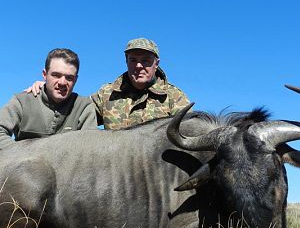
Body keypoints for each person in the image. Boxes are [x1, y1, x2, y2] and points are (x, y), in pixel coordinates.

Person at [26, 38, 190, 129]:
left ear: (157, 63)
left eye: (146, 61)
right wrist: (47, 89)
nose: (139, 66)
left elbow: (189, 135)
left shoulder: (174, 97)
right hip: (113, 178)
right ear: (126, 62)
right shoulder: (107, 93)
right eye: (133, 60)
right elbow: (73, 111)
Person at [0, 48, 97, 150]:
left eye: (69, 78)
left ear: (76, 80)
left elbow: (89, 149)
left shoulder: (84, 107)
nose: (62, 82)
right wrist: (21, 155)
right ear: (45, 75)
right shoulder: (22, 101)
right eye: (56, 75)